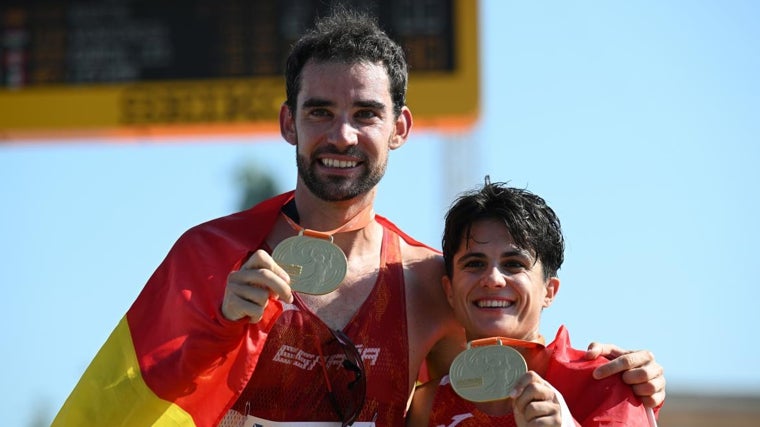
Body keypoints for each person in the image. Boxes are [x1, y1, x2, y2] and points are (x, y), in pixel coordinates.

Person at [53, 8, 664, 427]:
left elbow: (507, 377)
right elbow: (122, 404)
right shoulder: (207, 258)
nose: (341, 135)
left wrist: (618, 379)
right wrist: (217, 326)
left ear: (399, 128)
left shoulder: (432, 283)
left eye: (365, 114)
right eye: (319, 112)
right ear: (288, 122)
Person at [407, 179, 659, 426]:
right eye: (475, 264)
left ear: (549, 291)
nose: (493, 279)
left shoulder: (605, 384)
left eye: (513, 264)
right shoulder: (424, 406)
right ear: (449, 290)